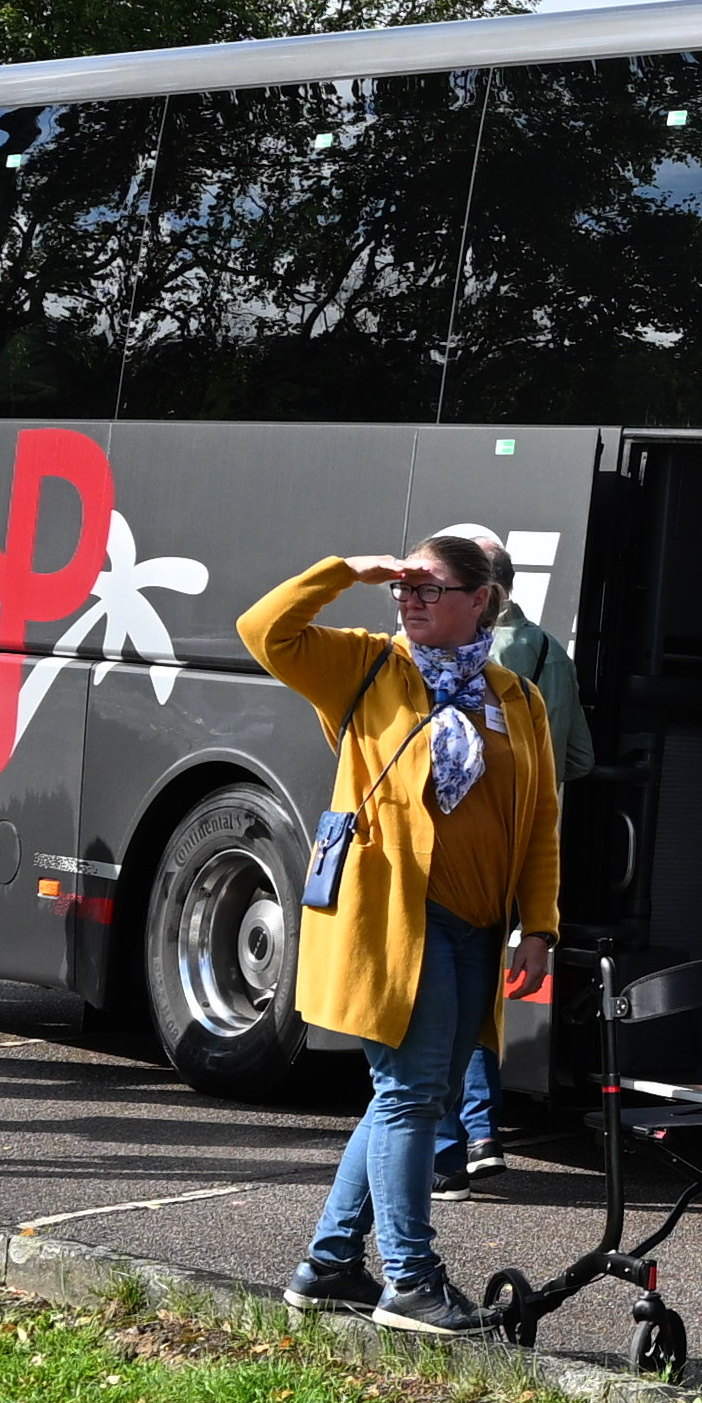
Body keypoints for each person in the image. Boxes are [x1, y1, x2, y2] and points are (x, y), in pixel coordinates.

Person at [240, 533, 564, 1336]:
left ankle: (329, 1265)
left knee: (413, 1097)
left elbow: (541, 825)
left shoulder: (517, 698)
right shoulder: (368, 666)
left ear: (481, 598)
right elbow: (264, 630)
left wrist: (539, 926)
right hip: (395, 923)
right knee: (412, 1095)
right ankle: (411, 1281)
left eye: (429, 588)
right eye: (403, 589)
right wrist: (349, 571)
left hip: (478, 928)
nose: (408, 600)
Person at [429, 524, 592, 1190]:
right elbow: (579, 759)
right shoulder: (551, 652)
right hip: (524, 852)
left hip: (463, 850)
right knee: (475, 1001)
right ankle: (483, 1129)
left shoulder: (468, 658)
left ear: (483, 592)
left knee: (443, 1006)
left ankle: (452, 1143)